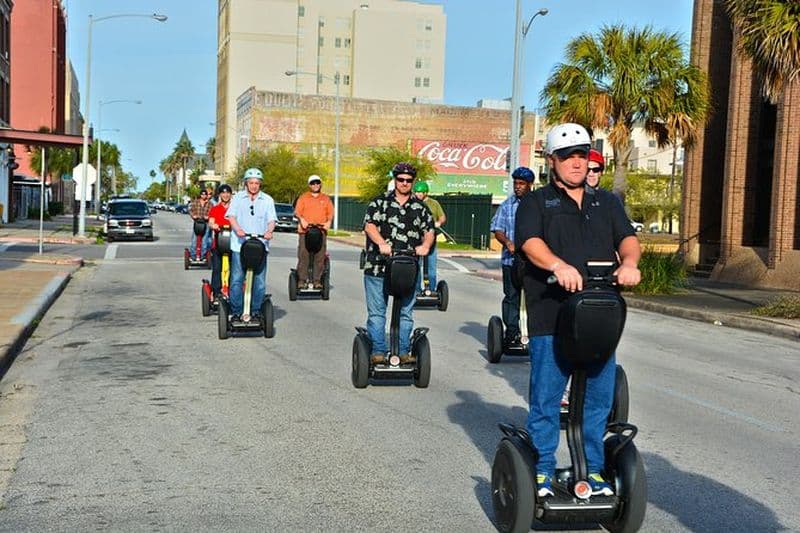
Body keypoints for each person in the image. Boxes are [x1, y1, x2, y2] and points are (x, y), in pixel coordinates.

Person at [515, 123, 641, 498]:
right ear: (552, 161)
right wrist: (558, 266)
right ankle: (541, 470)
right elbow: (530, 243)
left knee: (600, 399)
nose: (576, 163)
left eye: (581, 156)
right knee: (547, 398)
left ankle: (595, 470)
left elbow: (628, 239)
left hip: (599, 317)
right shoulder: (537, 202)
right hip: (552, 315)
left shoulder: (607, 203)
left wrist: (630, 263)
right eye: (567, 156)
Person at [362, 162, 434, 364]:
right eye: (400, 179)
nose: (404, 183)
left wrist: (426, 246)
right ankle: (378, 351)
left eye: (408, 180)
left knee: (406, 313)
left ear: (413, 182)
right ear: (395, 180)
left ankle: (402, 352)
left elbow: (429, 231)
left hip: (407, 268)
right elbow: (369, 226)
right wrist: (381, 243)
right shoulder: (380, 202)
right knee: (377, 313)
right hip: (378, 266)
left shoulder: (420, 207)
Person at [489, 166, 534, 346]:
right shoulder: (507, 205)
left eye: (522, 184)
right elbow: (497, 229)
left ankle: (534, 333)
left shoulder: (538, 204)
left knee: (535, 299)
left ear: (530, 185)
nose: (518, 187)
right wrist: (508, 243)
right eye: (516, 183)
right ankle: (513, 334)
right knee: (511, 297)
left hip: (534, 262)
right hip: (511, 260)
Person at [225, 168, 277, 321]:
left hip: (260, 245)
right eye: (251, 182)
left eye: (257, 183)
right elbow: (231, 216)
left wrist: (269, 231)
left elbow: (271, 220)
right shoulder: (238, 198)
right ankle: (236, 311)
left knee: (259, 282)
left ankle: (255, 310)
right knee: (236, 279)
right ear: (246, 183)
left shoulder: (267, 199)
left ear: (260, 184)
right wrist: (238, 229)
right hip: (239, 246)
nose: (254, 186)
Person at [294, 174, 334, 288]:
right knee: (303, 255)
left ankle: (317, 280)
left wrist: (328, 223)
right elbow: (297, 212)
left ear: (320, 184)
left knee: (320, 256)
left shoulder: (325, 199)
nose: (315, 185)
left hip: (320, 231)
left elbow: (330, 213)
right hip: (305, 231)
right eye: (313, 183)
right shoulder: (303, 198)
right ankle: (301, 280)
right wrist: (302, 220)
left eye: (317, 183)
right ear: (309, 185)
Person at [412, 181, 446, 291]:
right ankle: (416, 290)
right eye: (416, 192)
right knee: (416, 267)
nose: (418, 194)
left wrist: (439, 223)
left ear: (426, 193)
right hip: (416, 240)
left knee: (431, 268)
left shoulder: (434, 203)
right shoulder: (412, 203)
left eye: (420, 192)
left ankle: (431, 290)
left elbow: (442, 217)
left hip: (431, 241)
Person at [207, 183, 234, 300]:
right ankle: (216, 292)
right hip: (219, 242)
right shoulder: (215, 209)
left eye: (227, 193)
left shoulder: (235, 208)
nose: (225, 195)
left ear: (230, 194)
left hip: (233, 243)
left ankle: (233, 291)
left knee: (234, 269)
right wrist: (214, 225)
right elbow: (211, 222)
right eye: (223, 193)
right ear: (220, 194)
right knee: (217, 268)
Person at [188, 190, 212, 259]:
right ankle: (193, 255)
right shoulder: (195, 202)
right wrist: (193, 216)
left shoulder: (210, 204)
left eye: (205, 195)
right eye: (202, 194)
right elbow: (190, 210)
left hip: (206, 223)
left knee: (204, 240)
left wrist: (208, 217)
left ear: (207, 195)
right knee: (194, 239)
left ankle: (203, 255)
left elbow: (212, 212)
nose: (203, 196)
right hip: (197, 222)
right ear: (200, 195)